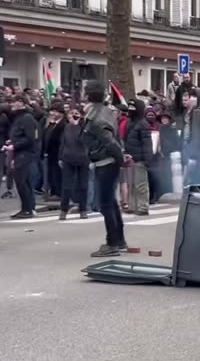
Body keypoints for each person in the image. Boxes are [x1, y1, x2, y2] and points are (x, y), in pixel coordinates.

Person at [83, 81, 127, 257]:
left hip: (105, 163)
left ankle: (112, 243)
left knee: (106, 204)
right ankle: (119, 239)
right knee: (111, 203)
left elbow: (110, 142)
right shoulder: (106, 111)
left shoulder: (96, 118)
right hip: (108, 162)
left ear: (87, 95)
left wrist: (121, 158)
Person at [5, 96, 39, 218]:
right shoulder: (20, 117)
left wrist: (15, 146)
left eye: (14, 102)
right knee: (23, 181)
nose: (12, 105)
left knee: (22, 181)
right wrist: (12, 141)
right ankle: (27, 208)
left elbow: (30, 138)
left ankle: (28, 209)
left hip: (25, 153)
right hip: (20, 152)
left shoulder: (26, 118)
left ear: (21, 103)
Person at [58, 105, 90, 220]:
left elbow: (83, 140)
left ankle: (83, 209)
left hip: (82, 158)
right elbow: (63, 142)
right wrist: (60, 157)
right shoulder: (66, 127)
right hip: (68, 157)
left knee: (83, 185)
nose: (73, 116)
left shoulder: (85, 127)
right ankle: (63, 209)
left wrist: (77, 126)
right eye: (71, 113)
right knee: (66, 186)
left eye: (76, 113)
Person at [123, 100, 153, 213]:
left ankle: (143, 207)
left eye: (132, 107)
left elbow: (147, 144)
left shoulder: (144, 124)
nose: (130, 109)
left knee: (141, 185)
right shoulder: (129, 122)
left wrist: (147, 161)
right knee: (131, 184)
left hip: (140, 159)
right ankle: (132, 206)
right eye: (129, 106)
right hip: (130, 158)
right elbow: (127, 139)